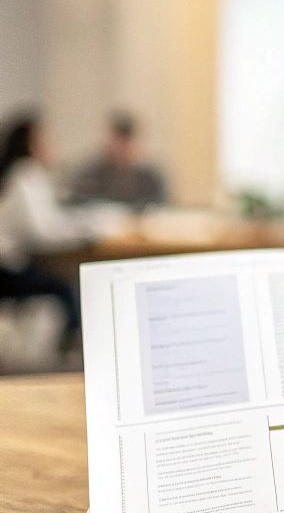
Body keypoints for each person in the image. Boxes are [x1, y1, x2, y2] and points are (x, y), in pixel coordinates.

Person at [0, 111, 92, 354]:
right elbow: (42, 232)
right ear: (31, 143)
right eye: (45, 138)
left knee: (66, 282)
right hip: (8, 268)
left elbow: (51, 221)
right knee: (66, 286)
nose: (51, 144)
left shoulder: (31, 175)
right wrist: (81, 234)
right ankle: (73, 349)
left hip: (17, 261)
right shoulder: (24, 175)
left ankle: (72, 345)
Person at [68, 110, 168, 211]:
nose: (122, 148)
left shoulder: (149, 177)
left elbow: (159, 207)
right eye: (118, 142)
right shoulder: (91, 174)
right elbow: (79, 204)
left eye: (127, 143)